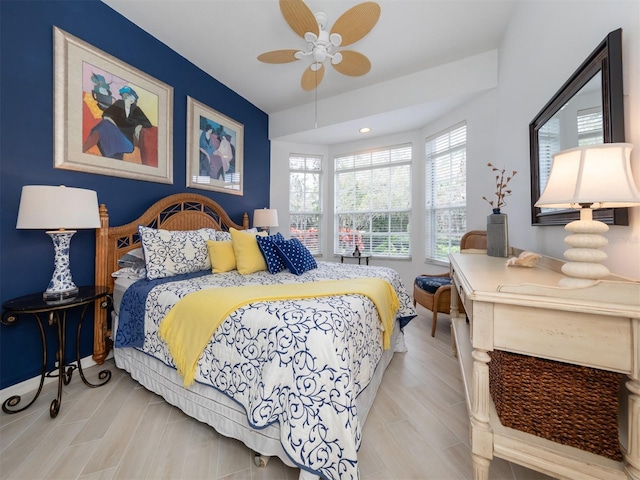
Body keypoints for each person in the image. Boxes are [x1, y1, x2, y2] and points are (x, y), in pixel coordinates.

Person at [83, 86, 152, 160]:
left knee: (103, 126)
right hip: (114, 134)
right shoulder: (119, 104)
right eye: (126, 96)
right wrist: (113, 124)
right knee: (105, 124)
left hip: (127, 141)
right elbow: (106, 115)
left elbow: (147, 123)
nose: (128, 98)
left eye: (130, 96)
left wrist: (139, 126)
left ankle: (82, 149)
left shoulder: (136, 109)